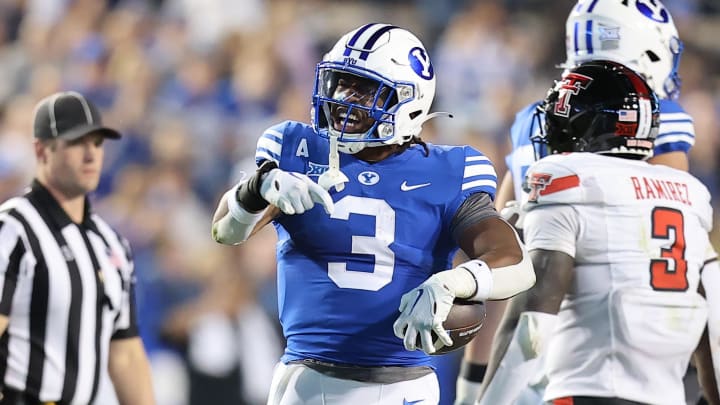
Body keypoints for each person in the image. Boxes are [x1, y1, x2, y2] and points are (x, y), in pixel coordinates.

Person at [211, 24, 536, 405]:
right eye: (342, 83)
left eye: (364, 88)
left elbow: (516, 264)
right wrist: (258, 186)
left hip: (405, 384)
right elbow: (226, 231)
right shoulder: (295, 150)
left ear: (409, 100)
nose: (346, 99)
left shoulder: (450, 170)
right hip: (307, 378)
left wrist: (454, 283)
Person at [455, 1, 698, 403]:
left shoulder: (530, 120)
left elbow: (495, 263)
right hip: (616, 356)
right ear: (645, 48)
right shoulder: (660, 117)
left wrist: (472, 381)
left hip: (527, 357)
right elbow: (675, 242)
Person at [0, 91, 156, 405]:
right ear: (41, 150)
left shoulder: (110, 243)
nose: (91, 155)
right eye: (76, 143)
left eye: (97, 143)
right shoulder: (13, 229)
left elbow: (125, 354)